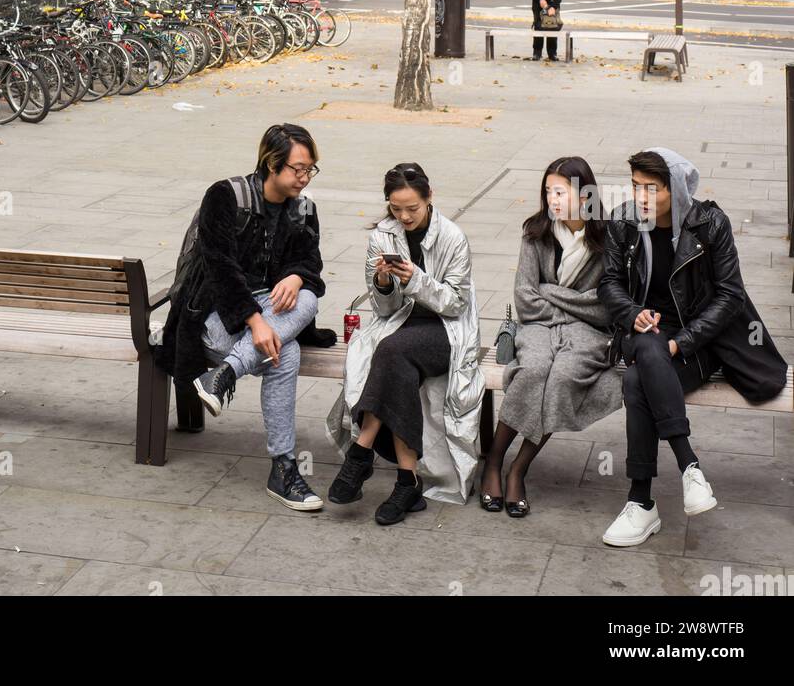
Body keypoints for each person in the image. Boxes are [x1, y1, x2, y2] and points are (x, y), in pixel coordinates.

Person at [598, 148, 788, 548]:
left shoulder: (710, 223)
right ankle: (690, 468)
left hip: (699, 341)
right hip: (643, 332)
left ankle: (641, 503)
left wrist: (679, 342)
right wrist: (632, 313)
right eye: (636, 187)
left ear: (677, 191)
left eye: (652, 189)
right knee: (647, 353)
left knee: (637, 380)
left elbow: (730, 296)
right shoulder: (622, 222)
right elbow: (609, 283)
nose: (642, 198)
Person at [157, 124, 334, 512]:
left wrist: (295, 274)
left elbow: (312, 264)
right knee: (283, 353)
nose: (304, 178)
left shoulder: (304, 210)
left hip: (270, 312)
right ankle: (283, 469)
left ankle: (224, 376)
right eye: (297, 169)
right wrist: (255, 321)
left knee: (307, 300)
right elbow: (219, 268)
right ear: (272, 164)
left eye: (310, 170)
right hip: (212, 312)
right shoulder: (224, 196)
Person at [327, 163, 485, 524]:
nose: (404, 216)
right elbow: (385, 310)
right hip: (400, 326)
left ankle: (361, 452)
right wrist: (383, 284)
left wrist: (416, 280)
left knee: (391, 351)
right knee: (393, 357)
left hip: (447, 330)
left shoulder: (452, 236)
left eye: (412, 208)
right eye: (396, 208)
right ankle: (406, 480)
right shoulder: (383, 236)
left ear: (429, 198)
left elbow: (456, 304)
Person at [479, 156, 622, 518]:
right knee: (533, 370)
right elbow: (525, 298)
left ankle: (519, 469)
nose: (552, 200)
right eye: (548, 191)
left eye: (560, 192)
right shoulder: (536, 232)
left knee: (561, 378)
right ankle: (494, 463)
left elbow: (605, 308)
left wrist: (551, 293)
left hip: (589, 335)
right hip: (539, 326)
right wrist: (567, 306)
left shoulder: (608, 238)